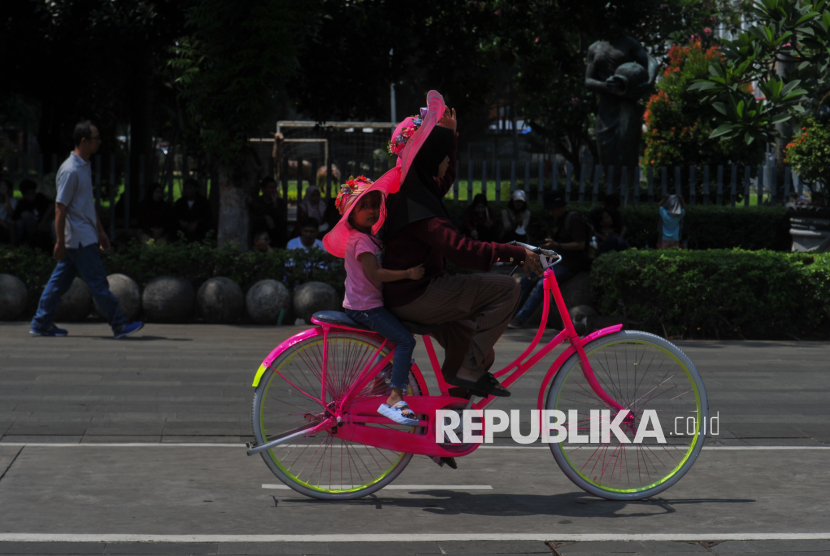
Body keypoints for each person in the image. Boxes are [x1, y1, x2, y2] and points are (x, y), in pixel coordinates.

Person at [383, 91, 543, 398]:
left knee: (479, 354)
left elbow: (446, 176)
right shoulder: (418, 206)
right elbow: (461, 250)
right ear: (430, 157)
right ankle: (467, 369)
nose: (447, 161)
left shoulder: (416, 187)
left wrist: (451, 137)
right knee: (508, 288)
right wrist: (517, 253)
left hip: (413, 290)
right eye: (442, 154)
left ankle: (450, 429)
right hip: (416, 294)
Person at [323, 175, 425, 425]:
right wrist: (408, 273)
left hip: (366, 304)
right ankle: (394, 397)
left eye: (373, 205)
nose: (370, 210)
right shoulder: (360, 241)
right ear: (351, 215)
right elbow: (375, 273)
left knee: (394, 342)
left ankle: (376, 388)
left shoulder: (369, 237)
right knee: (404, 341)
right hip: (365, 308)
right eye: (363, 206)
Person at [29, 120, 143, 338]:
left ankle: (41, 322)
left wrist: (99, 231)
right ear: (83, 141)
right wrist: (60, 242)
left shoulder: (83, 166)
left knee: (58, 282)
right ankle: (119, 324)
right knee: (98, 283)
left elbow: (86, 205)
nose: (99, 142)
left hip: (81, 236)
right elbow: (59, 209)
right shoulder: (71, 170)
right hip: (79, 239)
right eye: (95, 138)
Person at [509, 191, 588, 329]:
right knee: (528, 277)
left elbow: (580, 244)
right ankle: (509, 314)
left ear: (559, 208)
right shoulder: (558, 219)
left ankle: (520, 318)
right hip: (554, 258)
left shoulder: (574, 219)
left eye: (552, 210)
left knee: (542, 284)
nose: (550, 213)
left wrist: (557, 245)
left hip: (570, 263)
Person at [12, 179, 55, 248]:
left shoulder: (40, 198)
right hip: (31, 229)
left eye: (32, 193)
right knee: (24, 216)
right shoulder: (22, 204)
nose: (31, 196)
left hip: (44, 225)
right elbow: (14, 219)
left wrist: (43, 220)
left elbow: (51, 206)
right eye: (28, 194)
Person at [251, 177, 287, 249]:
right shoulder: (258, 202)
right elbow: (254, 219)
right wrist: (265, 217)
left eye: (274, 188)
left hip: (277, 237)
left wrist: (275, 203)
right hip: (262, 236)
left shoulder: (280, 202)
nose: (273, 190)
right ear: (263, 189)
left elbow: (282, 220)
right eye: (270, 188)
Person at [172, 178, 212, 242]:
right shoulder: (180, 202)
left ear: (196, 189)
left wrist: (196, 223)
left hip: (199, 233)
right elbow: (174, 215)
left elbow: (207, 216)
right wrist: (181, 222)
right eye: (186, 188)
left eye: (190, 188)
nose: (188, 190)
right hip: (182, 233)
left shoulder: (203, 202)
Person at [0, 179, 17, 245]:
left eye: (4, 186)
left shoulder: (13, 201)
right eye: (0, 185)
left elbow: (11, 215)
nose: (1, 188)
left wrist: (6, 195)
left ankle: (12, 247)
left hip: (9, 226)